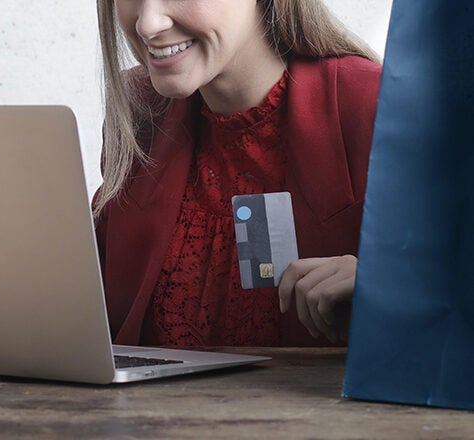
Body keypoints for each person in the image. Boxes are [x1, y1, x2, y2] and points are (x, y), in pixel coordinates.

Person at [93, 0, 382, 347]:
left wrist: (391, 290)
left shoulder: (378, 107)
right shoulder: (140, 114)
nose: (148, 24)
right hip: (148, 404)